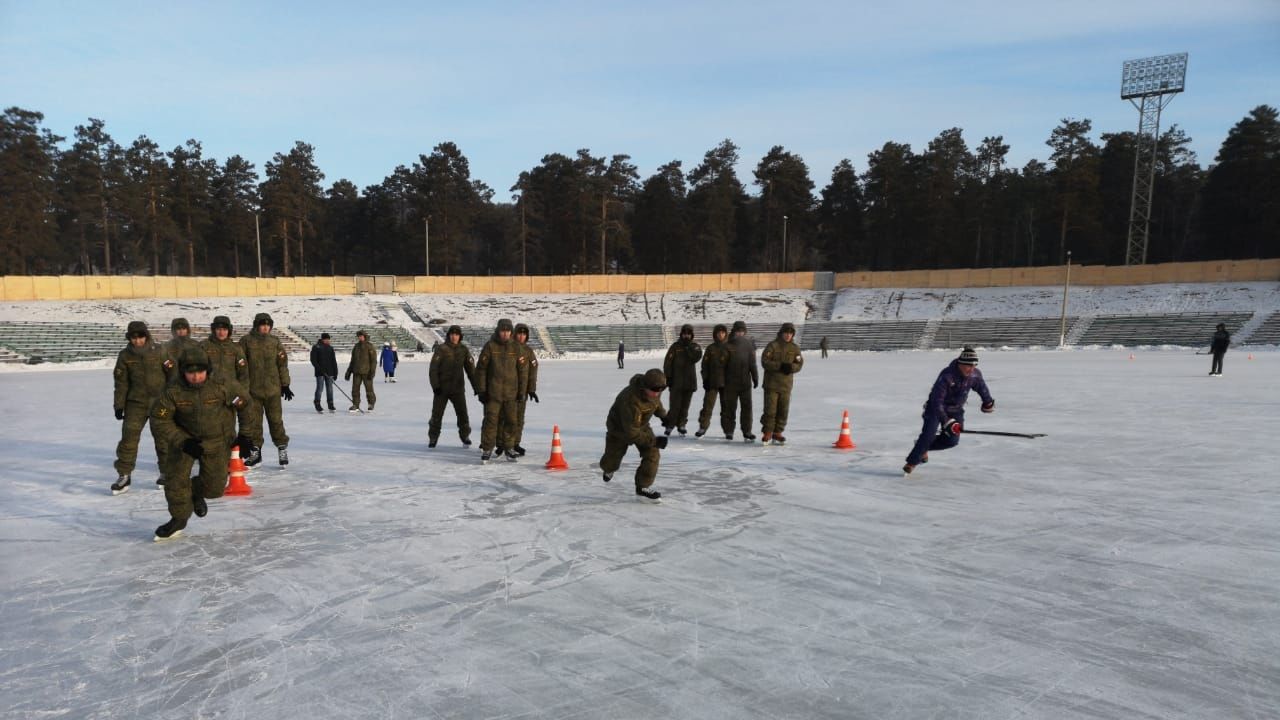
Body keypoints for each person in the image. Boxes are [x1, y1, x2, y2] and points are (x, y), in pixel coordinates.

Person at [149, 347, 245, 541]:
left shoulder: (222, 384)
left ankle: (196, 492)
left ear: (207, 370)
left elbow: (246, 405)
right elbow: (160, 420)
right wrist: (182, 441)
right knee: (175, 480)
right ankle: (178, 519)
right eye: (190, 372)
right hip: (185, 440)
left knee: (215, 488)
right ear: (183, 371)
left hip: (216, 440)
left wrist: (248, 436)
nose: (195, 376)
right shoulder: (172, 391)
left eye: (200, 371)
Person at [903, 347, 994, 475]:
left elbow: (982, 388)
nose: (972, 368)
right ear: (960, 363)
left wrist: (988, 402)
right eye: (969, 365)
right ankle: (912, 463)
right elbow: (936, 401)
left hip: (956, 410)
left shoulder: (975, 374)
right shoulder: (947, 375)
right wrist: (946, 421)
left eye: (974, 365)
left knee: (952, 441)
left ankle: (923, 446)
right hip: (935, 408)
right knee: (928, 434)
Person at [110, 321, 167, 494]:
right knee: (128, 439)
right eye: (134, 338)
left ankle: (167, 473)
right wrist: (119, 405)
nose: (137, 341)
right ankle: (124, 475)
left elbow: (174, 377)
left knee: (164, 439)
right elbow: (121, 383)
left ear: (146, 336)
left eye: (140, 337)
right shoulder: (125, 356)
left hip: (160, 404)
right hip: (136, 404)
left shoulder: (160, 351)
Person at [600, 368, 670, 500]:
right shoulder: (631, 400)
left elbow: (656, 403)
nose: (657, 393)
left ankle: (643, 486)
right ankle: (608, 469)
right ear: (645, 386)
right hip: (619, 429)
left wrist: (663, 416)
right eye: (655, 390)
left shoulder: (654, 390)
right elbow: (632, 433)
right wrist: (654, 441)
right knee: (612, 461)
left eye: (661, 390)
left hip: (641, 425)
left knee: (653, 454)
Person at [238, 312, 292, 467]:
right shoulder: (246, 341)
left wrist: (285, 384)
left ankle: (282, 448)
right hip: (252, 391)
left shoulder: (275, 342)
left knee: (276, 421)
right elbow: (240, 366)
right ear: (256, 325)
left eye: (268, 325)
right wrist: (241, 388)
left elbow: (282, 365)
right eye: (262, 324)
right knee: (254, 423)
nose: (265, 327)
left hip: (273, 390)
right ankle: (256, 452)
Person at [474, 318, 529, 463]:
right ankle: (487, 448)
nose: (505, 334)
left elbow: (522, 372)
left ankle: (509, 448)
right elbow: (481, 370)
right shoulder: (490, 346)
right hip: (493, 394)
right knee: (490, 422)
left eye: (508, 331)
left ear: (511, 332)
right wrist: (482, 391)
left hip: (511, 394)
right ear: (498, 331)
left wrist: (522, 392)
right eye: (503, 331)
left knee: (512, 421)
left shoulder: (516, 348)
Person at [199, 315, 250, 445]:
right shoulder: (203, 346)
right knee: (206, 425)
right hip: (208, 393)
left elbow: (243, 373)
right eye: (218, 329)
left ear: (229, 330)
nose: (221, 332)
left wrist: (242, 393)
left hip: (229, 394)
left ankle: (228, 455)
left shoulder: (235, 349)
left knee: (228, 426)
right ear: (213, 330)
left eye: (224, 329)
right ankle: (205, 454)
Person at [428, 325, 477, 448]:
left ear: (460, 336)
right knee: (436, 415)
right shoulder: (441, 349)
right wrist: (436, 386)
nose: (454, 336)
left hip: (457, 389)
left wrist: (477, 387)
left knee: (462, 414)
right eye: (452, 334)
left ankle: (465, 436)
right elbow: (433, 369)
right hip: (441, 389)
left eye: (456, 334)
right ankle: (433, 437)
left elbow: (471, 371)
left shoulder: (463, 350)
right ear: (449, 335)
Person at [760, 322, 804, 445]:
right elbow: (765, 361)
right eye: (786, 333)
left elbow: (799, 364)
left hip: (786, 385)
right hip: (771, 384)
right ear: (781, 333)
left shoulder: (794, 348)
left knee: (783, 410)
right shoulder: (773, 346)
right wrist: (779, 366)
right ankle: (767, 431)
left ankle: (777, 432)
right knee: (770, 410)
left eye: (790, 333)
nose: (788, 336)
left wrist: (791, 367)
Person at [503, 323, 539, 455]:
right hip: (508, 391)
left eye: (524, 334)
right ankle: (503, 443)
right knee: (507, 419)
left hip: (522, 391)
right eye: (519, 333)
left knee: (519, 419)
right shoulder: (508, 348)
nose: (521, 336)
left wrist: (531, 389)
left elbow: (533, 371)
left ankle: (515, 443)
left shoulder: (528, 351)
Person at [721, 320, 759, 442]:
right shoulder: (728, 345)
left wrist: (755, 377)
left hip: (745, 383)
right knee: (730, 408)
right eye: (738, 331)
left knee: (747, 408)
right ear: (734, 332)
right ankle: (729, 431)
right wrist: (722, 381)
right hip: (730, 383)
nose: (740, 334)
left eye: (742, 331)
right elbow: (721, 366)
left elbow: (752, 363)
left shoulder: (748, 346)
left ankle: (747, 431)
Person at [662, 324, 702, 436]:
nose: (686, 336)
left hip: (689, 382)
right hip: (676, 382)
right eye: (684, 334)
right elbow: (667, 363)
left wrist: (688, 347)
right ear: (681, 334)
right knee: (674, 406)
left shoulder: (694, 347)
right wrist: (668, 377)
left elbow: (696, 357)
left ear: (691, 335)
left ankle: (681, 425)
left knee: (685, 407)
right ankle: (670, 425)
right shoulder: (675, 347)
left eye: (688, 334)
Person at [694, 324, 730, 438]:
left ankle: (728, 430)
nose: (721, 334)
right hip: (712, 382)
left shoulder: (730, 347)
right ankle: (703, 427)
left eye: (723, 332)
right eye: (718, 332)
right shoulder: (711, 348)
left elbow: (735, 365)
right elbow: (704, 366)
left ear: (725, 334)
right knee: (707, 406)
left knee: (726, 407)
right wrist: (705, 380)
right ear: (715, 334)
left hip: (727, 383)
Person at [344, 330, 378, 413]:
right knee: (355, 389)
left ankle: (371, 404)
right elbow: (352, 360)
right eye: (359, 336)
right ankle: (355, 405)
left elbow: (373, 361)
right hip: (356, 372)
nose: (360, 337)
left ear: (365, 336)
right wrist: (348, 372)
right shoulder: (356, 346)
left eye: (361, 336)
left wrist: (372, 372)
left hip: (367, 372)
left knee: (369, 389)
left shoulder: (370, 346)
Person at [161, 317, 200, 383]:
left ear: (187, 330)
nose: (181, 331)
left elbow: (201, 360)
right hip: (173, 379)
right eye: (178, 329)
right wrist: (172, 368)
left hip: (192, 377)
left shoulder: (195, 344)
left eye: (184, 329)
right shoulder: (167, 346)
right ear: (174, 330)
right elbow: (164, 359)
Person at [310, 332, 338, 413]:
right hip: (320, 372)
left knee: (330, 389)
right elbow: (313, 360)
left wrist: (335, 372)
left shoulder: (330, 348)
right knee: (320, 388)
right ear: (323, 339)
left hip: (330, 372)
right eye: (326, 339)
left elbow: (334, 361)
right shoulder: (316, 347)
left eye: (328, 339)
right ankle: (317, 403)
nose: (328, 341)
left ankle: (330, 404)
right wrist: (319, 369)